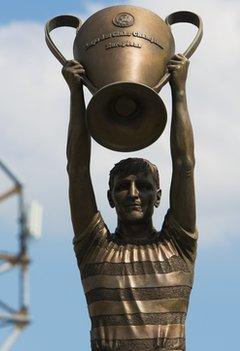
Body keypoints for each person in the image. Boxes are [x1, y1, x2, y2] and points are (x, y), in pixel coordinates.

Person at [63, 54, 197, 351]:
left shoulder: (179, 245)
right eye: (123, 187)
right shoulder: (95, 248)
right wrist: (76, 95)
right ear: (110, 197)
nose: (134, 193)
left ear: (158, 197)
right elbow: (77, 171)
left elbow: (184, 165)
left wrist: (180, 90)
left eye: (144, 186)